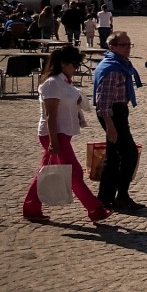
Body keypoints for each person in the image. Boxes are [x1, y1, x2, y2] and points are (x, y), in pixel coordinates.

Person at [22, 46, 113, 223]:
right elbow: (51, 114)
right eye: (75, 64)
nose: (77, 68)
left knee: (46, 170)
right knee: (74, 172)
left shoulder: (64, 82)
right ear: (64, 64)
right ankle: (95, 209)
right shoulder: (52, 83)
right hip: (54, 134)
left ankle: (31, 207)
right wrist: (53, 141)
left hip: (62, 133)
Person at [94, 31, 144, 211]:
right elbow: (103, 101)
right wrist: (110, 125)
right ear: (112, 46)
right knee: (129, 154)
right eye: (124, 45)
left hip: (118, 110)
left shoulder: (118, 64)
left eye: (129, 44)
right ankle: (121, 195)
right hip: (112, 113)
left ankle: (106, 197)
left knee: (114, 155)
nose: (128, 48)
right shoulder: (112, 69)